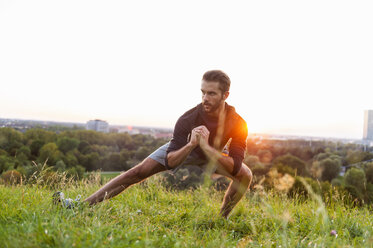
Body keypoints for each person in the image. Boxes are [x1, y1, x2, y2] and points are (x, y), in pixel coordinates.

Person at [57, 70, 252, 218]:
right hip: (185, 148)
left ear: (225, 95)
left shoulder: (238, 123)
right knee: (137, 172)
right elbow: (172, 161)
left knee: (245, 175)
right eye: (203, 92)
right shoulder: (187, 119)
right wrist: (192, 145)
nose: (205, 98)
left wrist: (207, 148)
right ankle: (79, 207)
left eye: (211, 94)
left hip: (213, 154)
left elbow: (235, 165)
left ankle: (222, 218)